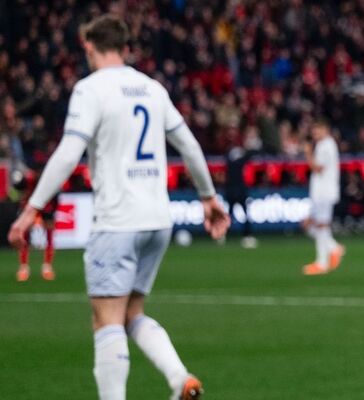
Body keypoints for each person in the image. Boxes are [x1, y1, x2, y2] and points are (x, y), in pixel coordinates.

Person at [6, 15, 229, 399]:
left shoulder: (91, 90)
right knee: (131, 313)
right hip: (158, 220)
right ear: (125, 48)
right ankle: (180, 380)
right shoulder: (152, 88)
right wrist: (208, 197)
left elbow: (68, 152)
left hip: (118, 220)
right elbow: (189, 145)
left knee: (105, 320)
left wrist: (32, 208)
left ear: (88, 47)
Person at [302, 121, 345, 275]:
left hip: (324, 192)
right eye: (313, 132)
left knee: (319, 225)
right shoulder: (324, 145)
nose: (315, 134)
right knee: (312, 225)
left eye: (317, 131)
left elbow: (318, 168)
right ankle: (333, 248)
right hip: (320, 192)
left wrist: (307, 153)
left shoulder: (326, 146)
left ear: (326, 129)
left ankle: (322, 262)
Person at [16, 168, 57, 282]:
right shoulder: (29, 179)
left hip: (46, 206)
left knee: (49, 236)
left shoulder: (50, 179)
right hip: (30, 206)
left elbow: (55, 194)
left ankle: (47, 266)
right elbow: (20, 188)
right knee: (25, 235)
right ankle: (23, 267)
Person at [225, 145, 257, 249]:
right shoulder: (239, 164)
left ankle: (223, 234)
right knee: (244, 215)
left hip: (231, 192)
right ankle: (247, 235)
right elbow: (250, 155)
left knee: (229, 215)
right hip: (240, 192)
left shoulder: (229, 164)